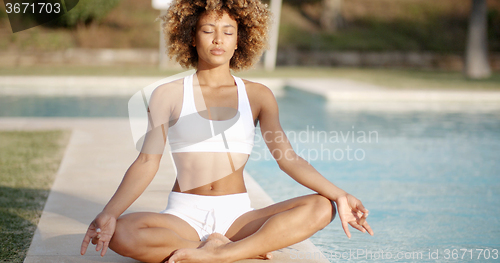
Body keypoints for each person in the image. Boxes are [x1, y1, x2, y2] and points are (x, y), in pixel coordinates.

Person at [80, 0, 374, 262]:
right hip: (183, 214)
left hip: (238, 216)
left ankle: (222, 253)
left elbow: (288, 159)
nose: (218, 39)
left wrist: (340, 195)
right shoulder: (167, 94)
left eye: (228, 31)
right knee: (121, 233)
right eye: (208, 30)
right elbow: (147, 162)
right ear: (191, 38)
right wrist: (109, 212)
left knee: (322, 208)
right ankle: (230, 249)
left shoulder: (258, 96)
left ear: (239, 41)